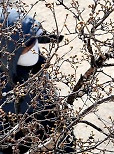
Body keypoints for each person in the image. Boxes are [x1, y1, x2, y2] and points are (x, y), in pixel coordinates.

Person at [0, 4, 75, 154]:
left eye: (35, 41)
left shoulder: (37, 72)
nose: (34, 48)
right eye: (27, 45)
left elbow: (56, 121)